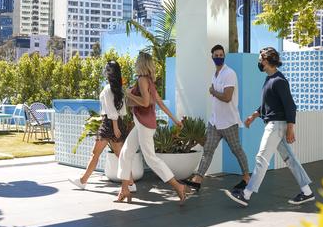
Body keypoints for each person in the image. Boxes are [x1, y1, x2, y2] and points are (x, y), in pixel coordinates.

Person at [224, 47, 314, 207]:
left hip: (276, 126)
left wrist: (290, 129)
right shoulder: (269, 79)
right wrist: (254, 115)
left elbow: (290, 106)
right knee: (290, 159)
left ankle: (246, 194)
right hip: (274, 124)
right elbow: (269, 104)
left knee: (261, 158)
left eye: (260, 59)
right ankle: (307, 192)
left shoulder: (279, 81)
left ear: (267, 60)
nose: (259, 62)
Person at [116, 51, 187, 204]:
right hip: (142, 124)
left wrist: (128, 94)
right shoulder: (148, 80)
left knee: (151, 159)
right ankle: (124, 189)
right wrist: (175, 120)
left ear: (141, 63)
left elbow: (145, 102)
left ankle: (178, 186)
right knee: (125, 152)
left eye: (137, 61)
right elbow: (159, 102)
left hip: (144, 124)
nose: (135, 63)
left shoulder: (142, 80)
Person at [182, 44, 250, 192]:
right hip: (215, 122)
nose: (219, 57)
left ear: (224, 56)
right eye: (216, 55)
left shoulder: (229, 73)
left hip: (229, 121)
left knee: (236, 150)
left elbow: (227, 97)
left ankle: (246, 177)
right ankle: (198, 179)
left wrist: (213, 91)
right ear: (212, 57)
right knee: (208, 150)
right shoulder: (215, 74)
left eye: (221, 55)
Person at [69, 61, 135, 192]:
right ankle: (131, 184)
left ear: (108, 72)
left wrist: (115, 127)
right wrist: (117, 127)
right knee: (120, 155)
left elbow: (111, 111)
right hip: (117, 123)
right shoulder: (119, 89)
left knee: (95, 154)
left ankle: (82, 181)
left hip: (109, 124)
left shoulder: (107, 89)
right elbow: (122, 111)